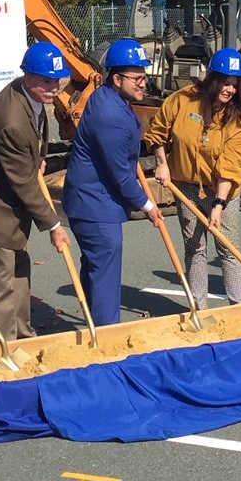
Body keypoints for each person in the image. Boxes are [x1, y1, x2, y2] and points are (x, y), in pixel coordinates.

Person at [0, 41, 73, 344]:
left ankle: (25, 337)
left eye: (57, 80)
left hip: (12, 205)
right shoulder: (11, 121)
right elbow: (24, 182)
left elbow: (37, 136)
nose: (53, 88)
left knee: (20, 275)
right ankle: (6, 349)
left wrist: (39, 158)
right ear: (28, 76)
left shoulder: (31, 96)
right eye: (46, 81)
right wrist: (53, 225)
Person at [61, 38, 163, 326]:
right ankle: (107, 334)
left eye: (145, 76)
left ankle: (95, 324)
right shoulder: (110, 116)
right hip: (95, 204)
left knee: (95, 266)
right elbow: (120, 175)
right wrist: (148, 205)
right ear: (117, 79)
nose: (144, 83)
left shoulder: (106, 96)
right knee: (105, 269)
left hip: (90, 200)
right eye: (137, 78)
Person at [146, 47, 241, 309]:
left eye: (234, 84)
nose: (229, 89)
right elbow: (158, 131)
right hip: (186, 187)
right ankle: (198, 306)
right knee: (194, 247)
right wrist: (162, 163)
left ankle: (238, 306)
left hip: (223, 193)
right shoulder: (183, 101)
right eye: (225, 82)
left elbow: (230, 167)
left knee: (228, 248)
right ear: (212, 79)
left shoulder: (240, 122)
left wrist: (218, 205)